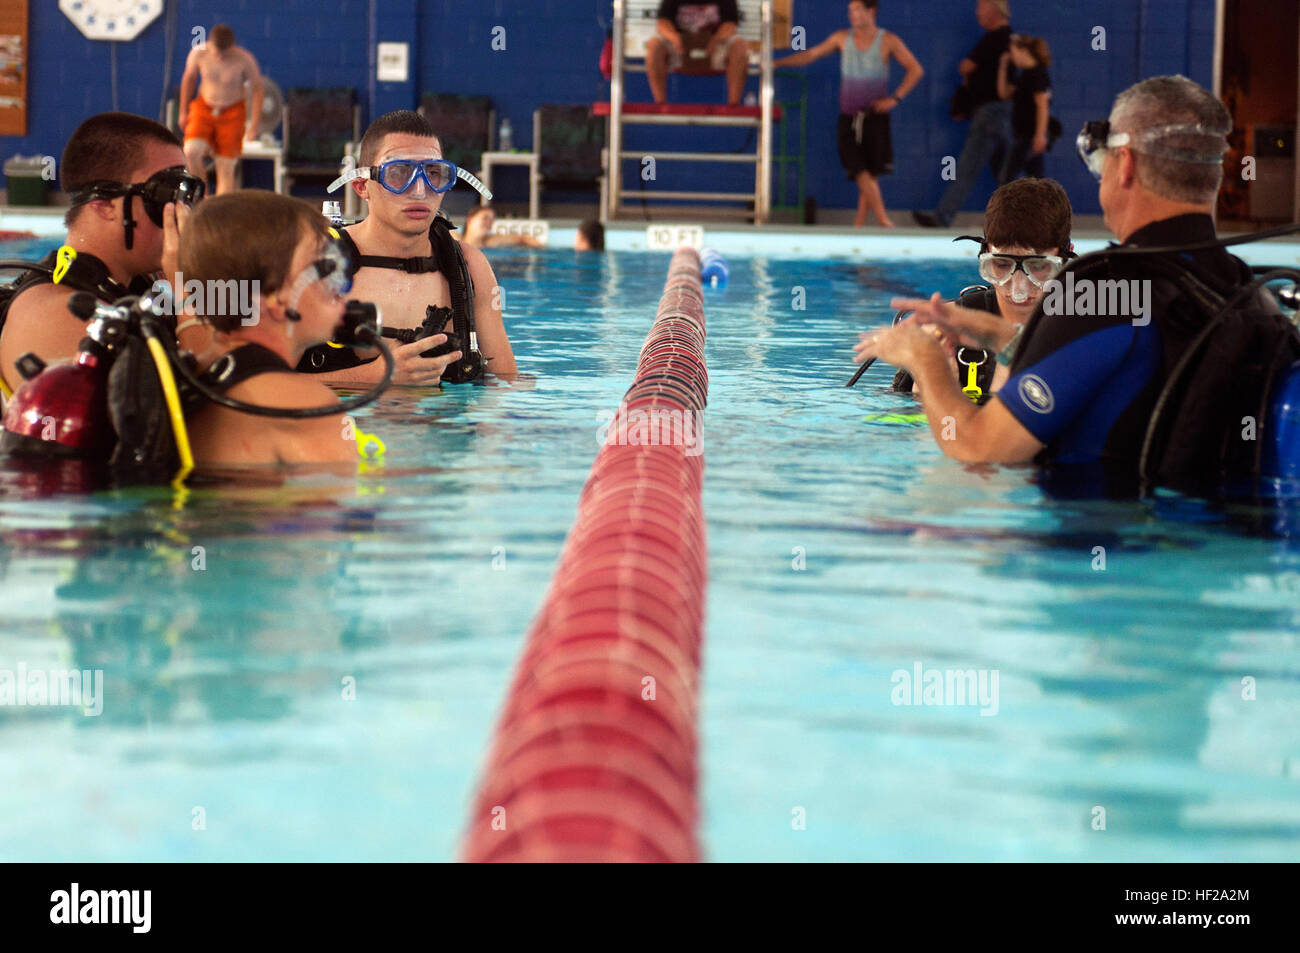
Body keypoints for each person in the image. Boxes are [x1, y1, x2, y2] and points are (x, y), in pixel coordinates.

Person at [857, 75, 1300, 492]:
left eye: (1098, 158)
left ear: (1124, 164)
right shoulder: (1250, 294)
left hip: (1092, 554)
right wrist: (994, 333)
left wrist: (925, 360)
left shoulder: (1099, 294)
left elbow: (980, 450)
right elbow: (1113, 366)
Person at [306, 110, 517, 386]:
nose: (419, 190)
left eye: (433, 173)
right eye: (398, 173)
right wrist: (374, 377)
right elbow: (250, 387)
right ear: (361, 186)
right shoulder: (315, 262)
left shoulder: (469, 268)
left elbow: (507, 384)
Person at [0, 113, 201, 401]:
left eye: (184, 196)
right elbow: (188, 418)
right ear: (104, 205)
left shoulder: (132, 286)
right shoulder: (56, 313)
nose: (179, 215)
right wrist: (185, 284)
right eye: (165, 197)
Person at [180, 192, 357, 466]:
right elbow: (336, 503)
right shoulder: (306, 405)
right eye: (322, 265)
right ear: (273, 296)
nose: (339, 278)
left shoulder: (195, 375)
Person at [892, 177, 1073, 402]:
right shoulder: (946, 332)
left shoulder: (1084, 337)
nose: (1018, 288)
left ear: (1065, 258)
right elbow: (903, 429)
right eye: (1002, 265)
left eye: (1037, 267)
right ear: (985, 253)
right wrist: (931, 391)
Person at [773, 0, 923, 228]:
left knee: (869, 172)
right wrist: (777, 63)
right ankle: (884, 220)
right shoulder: (841, 38)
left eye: (856, 10)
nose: (851, 15)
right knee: (858, 167)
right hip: (849, 117)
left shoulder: (888, 41)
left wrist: (895, 98)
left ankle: (859, 224)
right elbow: (811, 54)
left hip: (875, 116)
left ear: (870, 11)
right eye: (850, 10)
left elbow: (915, 69)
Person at [912, 0, 1013, 228]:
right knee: (1005, 175)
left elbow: (966, 66)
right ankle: (1021, 222)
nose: (977, 13)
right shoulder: (1004, 40)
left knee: (968, 167)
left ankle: (943, 216)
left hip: (990, 113)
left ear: (995, 10)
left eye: (981, 8)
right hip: (997, 113)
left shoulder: (995, 39)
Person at [178, 24, 264, 196]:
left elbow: (258, 89)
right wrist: (183, 112)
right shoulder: (199, 53)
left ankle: (220, 210)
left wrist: (254, 124)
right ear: (210, 42)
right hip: (204, 108)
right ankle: (202, 196)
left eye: (224, 53)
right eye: (217, 51)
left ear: (232, 46)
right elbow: (188, 79)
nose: (219, 56)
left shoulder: (244, 59)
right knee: (191, 151)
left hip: (232, 113)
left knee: (225, 167)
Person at [647, 0, 750, 106]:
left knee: (740, 45)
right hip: (680, 50)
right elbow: (662, 23)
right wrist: (674, 39)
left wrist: (717, 39)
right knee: (655, 45)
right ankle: (660, 104)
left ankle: (733, 105)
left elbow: (730, 25)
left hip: (714, 49)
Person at [997, 34, 1054, 182]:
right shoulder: (1024, 75)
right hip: (1023, 134)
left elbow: (1043, 105)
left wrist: (1040, 135)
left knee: (1006, 179)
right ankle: (1041, 204)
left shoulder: (1037, 74)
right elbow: (1004, 93)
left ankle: (1005, 205)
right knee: (1035, 179)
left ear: (1023, 50)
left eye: (1013, 51)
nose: (1012, 56)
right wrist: (1003, 67)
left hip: (1029, 136)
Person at [460, 205, 544, 249]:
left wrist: (540, 248)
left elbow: (522, 238)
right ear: (470, 220)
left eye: (491, 220)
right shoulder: (454, 238)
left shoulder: (492, 241)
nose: (488, 223)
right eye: (485, 218)